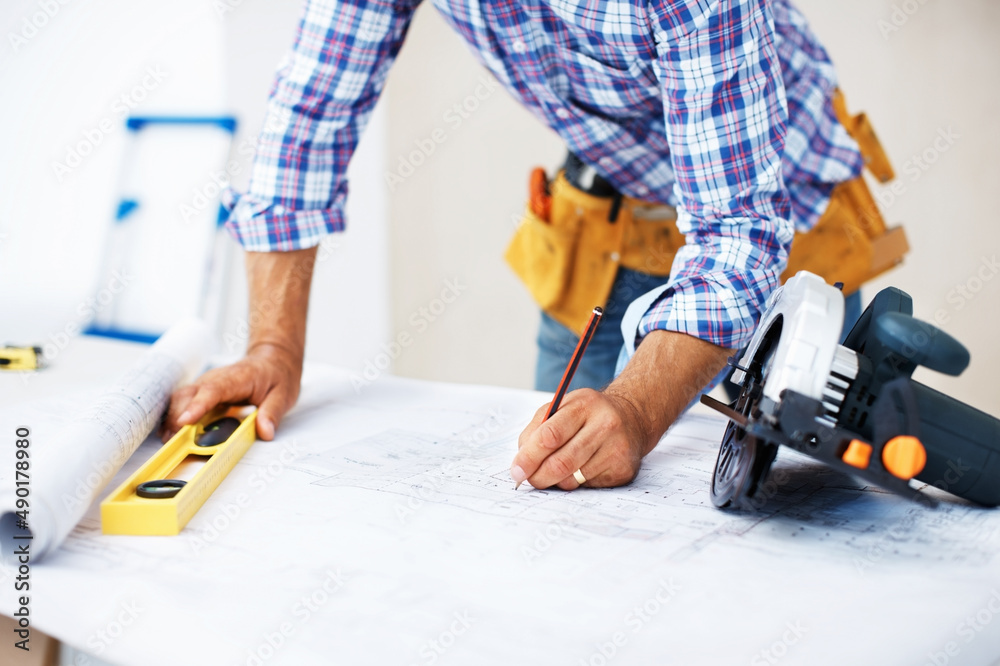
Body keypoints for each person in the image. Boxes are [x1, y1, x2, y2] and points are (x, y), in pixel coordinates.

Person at [164, 0, 899, 493]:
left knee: (773, 520)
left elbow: (737, 233)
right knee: (561, 483)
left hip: (783, 215)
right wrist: (273, 350)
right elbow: (307, 119)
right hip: (611, 207)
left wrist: (638, 414)